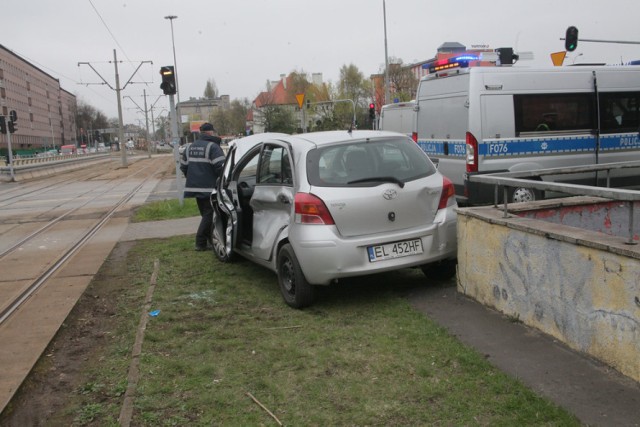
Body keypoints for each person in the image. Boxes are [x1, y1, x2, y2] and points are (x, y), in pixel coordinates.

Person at [180, 122, 225, 251]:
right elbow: (221, 168)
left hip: (194, 188)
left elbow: (183, 167)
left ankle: (210, 241)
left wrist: (194, 178)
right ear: (211, 132)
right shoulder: (213, 147)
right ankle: (200, 242)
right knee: (209, 215)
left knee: (205, 215)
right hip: (209, 188)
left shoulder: (189, 147)